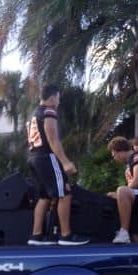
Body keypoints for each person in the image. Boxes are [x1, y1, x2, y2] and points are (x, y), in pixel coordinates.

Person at [26, 84, 89, 246]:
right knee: (65, 192)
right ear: (53, 97)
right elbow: (53, 139)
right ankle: (66, 236)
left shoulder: (34, 113)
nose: (59, 102)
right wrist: (66, 162)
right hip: (47, 157)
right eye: (58, 98)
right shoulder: (49, 112)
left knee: (44, 196)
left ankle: (36, 236)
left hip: (34, 157)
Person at [108, 136, 138, 243]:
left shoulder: (137, 156)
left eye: (114, 155)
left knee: (121, 191)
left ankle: (124, 232)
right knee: (112, 195)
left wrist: (119, 193)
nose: (115, 159)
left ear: (119, 151)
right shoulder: (129, 163)